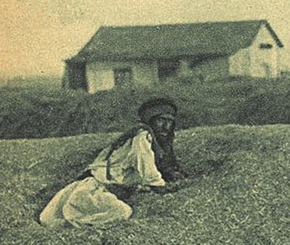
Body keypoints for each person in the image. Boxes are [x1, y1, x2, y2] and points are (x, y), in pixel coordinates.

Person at [39, 97, 185, 228]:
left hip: (109, 189)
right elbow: (146, 166)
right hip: (96, 190)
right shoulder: (142, 136)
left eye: (170, 122)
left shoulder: (155, 141)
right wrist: (160, 186)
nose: (166, 126)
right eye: (161, 120)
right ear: (151, 121)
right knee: (122, 212)